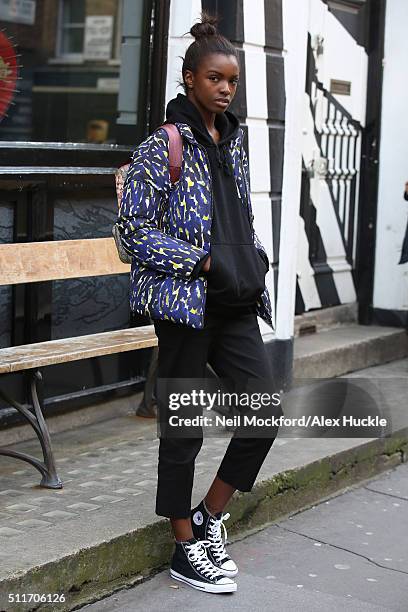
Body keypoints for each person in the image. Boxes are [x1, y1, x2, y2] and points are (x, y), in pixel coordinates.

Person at [118, 12, 282, 594]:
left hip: (237, 304)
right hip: (188, 307)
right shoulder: (161, 146)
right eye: (215, 78)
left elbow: (241, 214)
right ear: (189, 79)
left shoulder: (232, 140)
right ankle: (183, 543)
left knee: (262, 413)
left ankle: (212, 517)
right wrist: (204, 260)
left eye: (232, 81)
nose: (225, 88)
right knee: (183, 428)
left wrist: (252, 259)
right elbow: (131, 233)